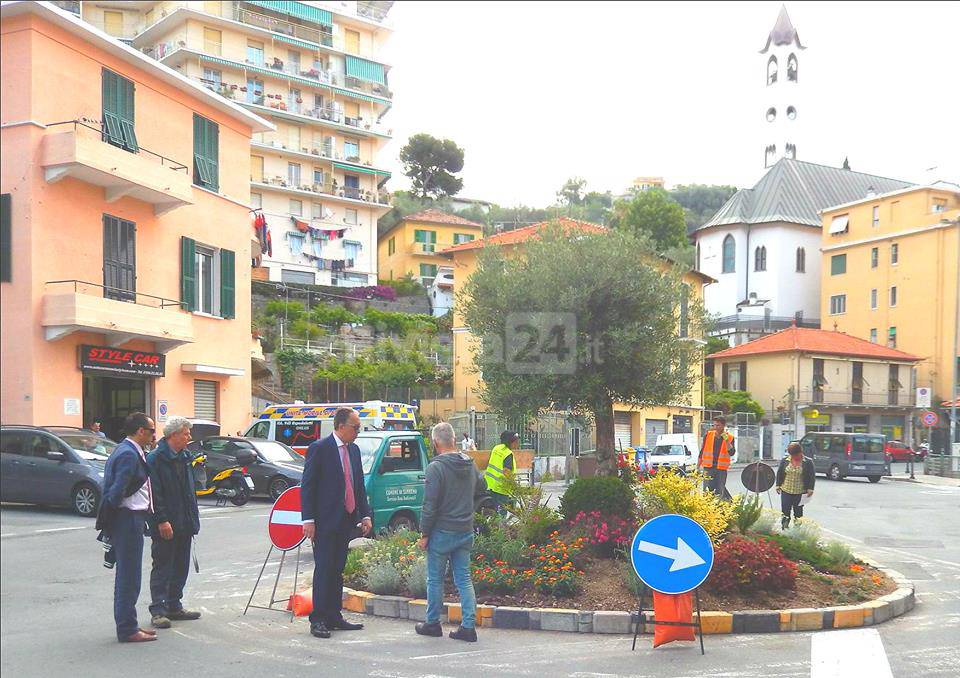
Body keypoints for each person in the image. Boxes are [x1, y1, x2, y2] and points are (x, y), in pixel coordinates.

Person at [301, 407, 372, 639]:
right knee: (324, 569)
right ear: (341, 426)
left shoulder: (354, 451)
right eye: (356, 427)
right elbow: (308, 486)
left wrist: (365, 514)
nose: (358, 432)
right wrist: (308, 519)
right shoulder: (320, 449)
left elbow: (358, 485)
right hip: (324, 520)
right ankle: (318, 619)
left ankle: (334, 615)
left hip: (346, 518)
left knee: (337, 569)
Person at [416, 423, 485, 642]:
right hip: (465, 530)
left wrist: (424, 533)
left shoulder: (435, 468)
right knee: (464, 578)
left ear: (436, 443)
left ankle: (433, 623)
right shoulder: (470, 464)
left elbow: (430, 504)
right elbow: (481, 490)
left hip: (442, 532)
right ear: (454, 440)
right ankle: (468, 626)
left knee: (435, 579)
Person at [100, 412, 157, 643]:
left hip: (130, 519)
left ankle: (128, 625)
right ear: (141, 431)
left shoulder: (130, 451)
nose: (155, 435)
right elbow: (116, 491)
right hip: (127, 519)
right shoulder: (128, 454)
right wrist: (111, 522)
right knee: (129, 577)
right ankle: (127, 629)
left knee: (127, 575)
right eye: (152, 431)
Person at [146, 416, 201, 629]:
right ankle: (158, 611)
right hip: (166, 522)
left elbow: (189, 491)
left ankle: (174, 605)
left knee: (180, 565)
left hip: (184, 521)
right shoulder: (156, 459)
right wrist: (161, 520)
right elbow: (154, 493)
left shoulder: (184, 457)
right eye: (186, 434)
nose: (189, 437)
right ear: (174, 435)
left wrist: (192, 520)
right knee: (162, 565)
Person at [776, 442, 815, 529]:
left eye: (795, 455)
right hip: (786, 490)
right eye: (792, 455)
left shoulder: (808, 462)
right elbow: (780, 473)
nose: (793, 457)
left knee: (798, 513)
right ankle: (785, 528)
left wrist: (810, 488)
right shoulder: (785, 460)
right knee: (785, 511)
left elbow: (811, 476)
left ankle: (797, 530)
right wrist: (778, 485)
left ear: (800, 452)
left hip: (800, 492)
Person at [698, 416, 735, 499]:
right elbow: (702, 451)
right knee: (707, 491)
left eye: (718, 425)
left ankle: (719, 508)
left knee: (719, 491)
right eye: (714, 425)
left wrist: (727, 441)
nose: (715, 427)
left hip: (721, 469)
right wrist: (698, 467)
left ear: (723, 426)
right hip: (708, 468)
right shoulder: (708, 435)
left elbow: (732, 452)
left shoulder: (729, 437)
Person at [484, 431, 518, 507]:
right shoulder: (508, 453)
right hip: (501, 489)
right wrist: (515, 486)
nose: (517, 444)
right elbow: (506, 471)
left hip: (490, 485)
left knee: (493, 512)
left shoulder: (496, 448)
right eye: (516, 441)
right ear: (510, 442)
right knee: (501, 515)